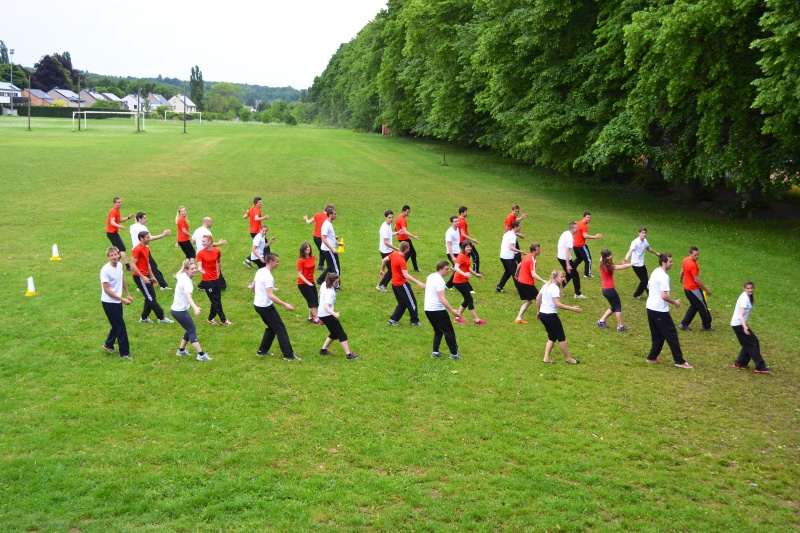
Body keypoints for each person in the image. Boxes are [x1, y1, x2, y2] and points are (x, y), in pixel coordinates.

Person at [645, 253, 693, 368]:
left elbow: (648, 286)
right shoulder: (664, 276)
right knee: (671, 334)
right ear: (664, 263)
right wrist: (675, 302)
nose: (672, 263)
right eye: (670, 262)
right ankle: (679, 361)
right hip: (659, 310)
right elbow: (663, 295)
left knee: (658, 334)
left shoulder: (655, 271)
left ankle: (652, 357)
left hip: (650, 307)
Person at [253, 253, 300, 360]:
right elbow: (270, 295)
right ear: (271, 262)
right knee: (280, 328)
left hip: (257, 305)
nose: (278, 263)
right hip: (265, 307)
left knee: (272, 328)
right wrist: (285, 304)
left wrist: (258, 295)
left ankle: (262, 351)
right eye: (277, 261)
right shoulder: (268, 277)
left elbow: (253, 286)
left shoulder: (260, 271)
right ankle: (288, 355)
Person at [536, 270, 582, 364]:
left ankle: (546, 358)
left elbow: (538, 298)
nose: (563, 279)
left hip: (543, 314)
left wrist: (539, 311)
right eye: (561, 277)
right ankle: (568, 358)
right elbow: (557, 304)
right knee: (561, 337)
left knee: (552, 336)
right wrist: (571, 308)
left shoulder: (546, 285)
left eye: (563, 277)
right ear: (556, 277)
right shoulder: (554, 288)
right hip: (550, 315)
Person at [171, 259, 212, 361]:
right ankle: (201, 355)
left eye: (195, 268)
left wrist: (182, 267)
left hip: (176, 310)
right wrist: (195, 307)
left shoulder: (182, 276)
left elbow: (177, 274)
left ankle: (181, 351)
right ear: (187, 270)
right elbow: (188, 297)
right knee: (192, 330)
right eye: (192, 269)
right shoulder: (187, 283)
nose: (195, 270)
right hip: (179, 311)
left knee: (189, 329)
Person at [130, 231, 173, 325]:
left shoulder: (146, 248)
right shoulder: (137, 249)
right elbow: (132, 264)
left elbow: (147, 263)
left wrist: (152, 276)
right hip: (139, 277)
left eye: (149, 237)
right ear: (141, 238)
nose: (149, 239)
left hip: (146, 276)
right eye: (147, 237)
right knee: (150, 297)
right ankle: (161, 317)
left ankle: (144, 318)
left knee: (150, 296)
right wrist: (142, 277)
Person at [424, 261, 462, 359]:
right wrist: (452, 311)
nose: (449, 271)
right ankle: (454, 354)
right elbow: (441, 298)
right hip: (437, 310)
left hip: (428, 309)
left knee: (438, 330)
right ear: (440, 269)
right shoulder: (440, 281)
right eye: (446, 269)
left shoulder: (431, 276)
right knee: (449, 331)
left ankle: (435, 352)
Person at [100, 246, 133, 360]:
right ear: (109, 257)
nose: (114, 257)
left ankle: (108, 344)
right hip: (109, 302)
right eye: (111, 255)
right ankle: (124, 353)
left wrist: (127, 294)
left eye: (116, 254)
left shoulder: (119, 265)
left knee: (116, 324)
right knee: (121, 326)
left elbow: (121, 279)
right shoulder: (105, 270)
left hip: (117, 300)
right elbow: (107, 290)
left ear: (119, 255)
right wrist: (122, 299)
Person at [318, 272, 360, 359]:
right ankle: (349, 355)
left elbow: (319, 294)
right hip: (327, 315)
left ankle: (323, 350)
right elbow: (326, 306)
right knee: (341, 334)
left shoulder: (324, 284)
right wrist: (334, 314)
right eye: (336, 283)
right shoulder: (330, 292)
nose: (338, 284)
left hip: (322, 313)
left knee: (334, 333)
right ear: (331, 282)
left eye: (338, 282)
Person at [383, 241, 425, 326]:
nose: (409, 248)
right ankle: (414, 321)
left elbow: (384, 259)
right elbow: (406, 275)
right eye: (409, 247)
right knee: (411, 302)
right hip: (401, 284)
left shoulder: (394, 254)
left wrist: (382, 270)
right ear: (406, 249)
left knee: (402, 303)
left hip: (394, 284)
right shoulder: (402, 260)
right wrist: (419, 282)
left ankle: (393, 320)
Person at [731, 281, 770, 373]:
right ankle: (760, 366)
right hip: (739, 324)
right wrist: (745, 327)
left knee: (747, 344)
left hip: (738, 324)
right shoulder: (745, 299)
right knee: (753, 343)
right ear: (744, 289)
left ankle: (740, 362)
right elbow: (741, 315)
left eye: (751, 288)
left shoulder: (746, 296)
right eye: (748, 288)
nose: (750, 290)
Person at [196, 234, 233, 326]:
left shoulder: (217, 251)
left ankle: (210, 318)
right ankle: (223, 320)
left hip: (216, 278)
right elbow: (199, 266)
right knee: (216, 300)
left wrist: (218, 273)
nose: (202, 243)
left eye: (204, 241)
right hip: (207, 281)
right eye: (202, 241)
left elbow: (218, 262)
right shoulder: (200, 254)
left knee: (216, 299)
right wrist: (201, 270)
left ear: (210, 242)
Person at [129, 212, 171, 290]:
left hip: (135, 249)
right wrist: (163, 234)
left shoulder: (132, 227)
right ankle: (163, 285)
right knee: (153, 266)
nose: (146, 219)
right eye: (144, 218)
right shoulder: (143, 228)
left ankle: (139, 286)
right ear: (139, 218)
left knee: (139, 267)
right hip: (143, 249)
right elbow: (150, 238)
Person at [596, 249, 634, 331]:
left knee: (613, 306)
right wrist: (632, 264)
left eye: (610, 254)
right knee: (618, 307)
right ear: (605, 257)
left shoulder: (602, 263)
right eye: (609, 255)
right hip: (609, 290)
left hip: (605, 289)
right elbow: (622, 266)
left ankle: (601, 321)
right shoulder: (607, 266)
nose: (611, 256)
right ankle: (620, 326)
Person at [678, 247, 714, 332]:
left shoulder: (685, 260)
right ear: (690, 254)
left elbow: (682, 271)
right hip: (694, 290)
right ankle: (706, 325)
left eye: (698, 255)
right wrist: (706, 289)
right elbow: (696, 279)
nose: (697, 256)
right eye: (695, 255)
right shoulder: (693, 265)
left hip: (686, 289)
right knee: (703, 307)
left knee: (694, 306)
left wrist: (680, 278)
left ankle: (684, 324)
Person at [452, 241, 488, 325]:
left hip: (463, 280)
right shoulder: (461, 256)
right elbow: (456, 267)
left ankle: (458, 317)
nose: (469, 248)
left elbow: (467, 267)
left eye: (470, 247)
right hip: (459, 281)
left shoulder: (466, 255)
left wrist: (475, 274)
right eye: (467, 247)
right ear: (463, 248)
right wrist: (464, 273)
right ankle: (476, 320)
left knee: (467, 298)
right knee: (469, 299)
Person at [513, 243, 546, 324]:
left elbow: (519, 264)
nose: (539, 251)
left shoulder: (527, 256)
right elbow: (533, 274)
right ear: (533, 251)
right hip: (527, 283)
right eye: (538, 250)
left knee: (529, 301)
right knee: (539, 297)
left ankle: (518, 318)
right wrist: (543, 281)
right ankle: (540, 314)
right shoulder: (532, 260)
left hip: (520, 281)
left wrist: (516, 273)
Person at [192, 217, 228, 290]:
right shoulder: (207, 232)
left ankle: (201, 286)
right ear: (207, 222)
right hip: (206, 253)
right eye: (211, 222)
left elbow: (193, 242)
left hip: (199, 253)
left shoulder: (197, 230)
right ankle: (222, 286)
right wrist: (220, 243)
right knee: (215, 268)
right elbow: (211, 244)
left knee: (208, 270)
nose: (211, 224)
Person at [623, 227, 659, 299]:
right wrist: (626, 259)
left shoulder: (645, 241)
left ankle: (636, 295)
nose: (644, 234)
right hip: (636, 265)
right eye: (642, 233)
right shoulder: (635, 242)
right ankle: (651, 296)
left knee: (644, 280)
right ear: (639, 233)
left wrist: (656, 253)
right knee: (645, 281)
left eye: (645, 233)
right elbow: (630, 251)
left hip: (641, 264)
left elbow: (648, 248)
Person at [557, 222, 585, 298]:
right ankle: (577, 294)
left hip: (560, 257)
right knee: (575, 275)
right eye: (576, 228)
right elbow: (567, 252)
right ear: (572, 229)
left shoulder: (566, 233)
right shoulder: (570, 238)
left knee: (569, 274)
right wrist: (568, 265)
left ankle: (558, 288)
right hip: (565, 259)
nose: (578, 229)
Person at [106, 197, 135, 271]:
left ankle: (113, 264)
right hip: (112, 233)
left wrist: (128, 217)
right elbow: (112, 222)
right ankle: (128, 267)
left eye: (121, 202)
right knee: (122, 249)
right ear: (114, 203)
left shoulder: (117, 210)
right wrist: (120, 226)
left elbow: (119, 220)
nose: (120, 203)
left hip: (112, 233)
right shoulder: (113, 211)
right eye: (118, 202)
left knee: (117, 250)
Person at [296, 241, 322, 325]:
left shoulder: (312, 257)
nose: (307, 249)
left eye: (308, 247)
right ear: (302, 250)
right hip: (303, 284)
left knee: (314, 299)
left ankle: (310, 317)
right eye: (305, 248)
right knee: (312, 300)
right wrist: (307, 282)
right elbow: (299, 274)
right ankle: (317, 318)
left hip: (311, 281)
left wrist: (311, 281)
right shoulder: (301, 260)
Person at [304, 203, 334, 270]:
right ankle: (325, 266)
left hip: (315, 237)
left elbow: (309, 222)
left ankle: (321, 265)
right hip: (323, 237)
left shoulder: (317, 215)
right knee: (324, 251)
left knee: (322, 251)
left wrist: (306, 219)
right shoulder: (329, 218)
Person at [316, 207, 341, 287]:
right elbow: (323, 239)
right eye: (334, 214)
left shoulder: (330, 223)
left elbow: (330, 236)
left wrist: (338, 242)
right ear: (330, 215)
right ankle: (336, 286)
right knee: (336, 269)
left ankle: (320, 280)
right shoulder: (326, 225)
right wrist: (332, 249)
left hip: (328, 249)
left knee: (330, 267)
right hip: (328, 250)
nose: (336, 215)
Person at [573, 211, 602, 278]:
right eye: (588, 217)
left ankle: (571, 268)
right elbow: (585, 236)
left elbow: (574, 223)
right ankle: (587, 274)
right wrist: (595, 237)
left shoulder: (578, 222)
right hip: (580, 246)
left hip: (575, 245)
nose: (589, 219)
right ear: (584, 217)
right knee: (588, 259)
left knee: (579, 258)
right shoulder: (584, 226)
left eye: (590, 217)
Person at [376, 210, 400, 292]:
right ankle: (381, 285)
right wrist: (397, 249)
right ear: (385, 217)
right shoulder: (384, 228)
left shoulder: (388, 225)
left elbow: (389, 234)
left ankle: (382, 285)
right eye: (389, 217)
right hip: (385, 251)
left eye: (392, 217)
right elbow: (386, 242)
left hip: (389, 250)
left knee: (392, 269)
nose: (391, 219)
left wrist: (397, 233)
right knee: (392, 270)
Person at [495, 221, 522, 292]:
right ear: (516, 227)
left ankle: (499, 287)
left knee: (508, 272)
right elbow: (511, 247)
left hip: (503, 256)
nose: (520, 227)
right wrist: (520, 251)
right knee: (515, 273)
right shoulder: (512, 235)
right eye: (519, 226)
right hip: (508, 258)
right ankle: (520, 290)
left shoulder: (508, 233)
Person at [243, 197, 269, 268]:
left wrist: (248, 212)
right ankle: (266, 263)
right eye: (260, 202)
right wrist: (264, 218)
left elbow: (244, 216)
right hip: (257, 231)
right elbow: (256, 218)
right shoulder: (257, 210)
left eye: (261, 202)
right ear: (256, 203)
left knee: (259, 246)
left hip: (252, 231)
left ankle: (248, 260)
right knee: (265, 247)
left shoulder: (251, 209)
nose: (261, 203)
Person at [396, 205, 421, 272]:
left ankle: (400, 267)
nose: (408, 214)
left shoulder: (398, 217)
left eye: (409, 212)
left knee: (408, 253)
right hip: (404, 238)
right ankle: (415, 268)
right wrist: (414, 236)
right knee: (413, 253)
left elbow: (395, 227)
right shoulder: (402, 219)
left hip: (400, 238)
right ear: (403, 211)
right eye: (407, 212)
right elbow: (405, 231)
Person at [458, 206, 480, 274]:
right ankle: (476, 271)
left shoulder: (459, 219)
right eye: (465, 212)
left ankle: (456, 266)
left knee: (465, 256)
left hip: (463, 241)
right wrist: (472, 240)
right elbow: (462, 234)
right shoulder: (462, 221)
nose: (467, 213)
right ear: (461, 213)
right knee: (475, 255)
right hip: (464, 242)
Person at [444, 215, 461, 289]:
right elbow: (449, 245)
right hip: (452, 253)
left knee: (458, 268)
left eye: (458, 221)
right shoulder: (449, 232)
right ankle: (449, 285)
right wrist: (452, 256)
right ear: (451, 222)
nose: (457, 222)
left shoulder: (457, 229)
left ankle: (449, 285)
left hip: (457, 251)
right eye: (455, 221)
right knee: (459, 268)